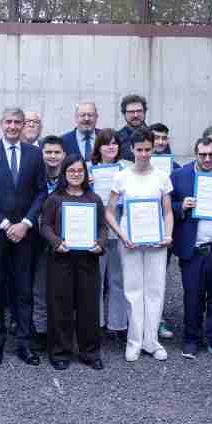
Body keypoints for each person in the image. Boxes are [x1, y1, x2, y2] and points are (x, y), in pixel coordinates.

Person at [0, 106, 47, 367]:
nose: (14, 126)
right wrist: (6, 224)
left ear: (23, 124)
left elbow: (41, 192)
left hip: (26, 234)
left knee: (23, 289)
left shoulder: (35, 154)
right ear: (1, 124)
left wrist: (25, 223)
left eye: (18, 122)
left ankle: (24, 344)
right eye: (9, 122)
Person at [105, 127, 175, 362]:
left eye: (148, 149)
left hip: (157, 242)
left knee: (155, 290)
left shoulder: (162, 177)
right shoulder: (121, 176)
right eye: (139, 150)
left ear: (153, 148)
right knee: (133, 291)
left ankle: (151, 341)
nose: (144, 154)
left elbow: (167, 211)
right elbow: (110, 212)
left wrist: (168, 235)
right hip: (130, 242)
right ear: (132, 150)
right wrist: (121, 235)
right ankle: (134, 341)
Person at [170, 136, 212, 360]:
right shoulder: (180, 176)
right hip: (194, 248)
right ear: (195, 154)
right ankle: (191, 338)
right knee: (193, 296)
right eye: (203, 154)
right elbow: (166, 205)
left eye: (211, 154)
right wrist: (182, 206)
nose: (207, 159)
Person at [39, 154, 108, 370]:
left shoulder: (93, 199)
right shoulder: (54, 199)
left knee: (89, 307)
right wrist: (56, 242)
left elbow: (102, 227)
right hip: (61, 259)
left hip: (88, 259)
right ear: (64, 173)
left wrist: (100, 243)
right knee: (61, 306)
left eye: (80, 171)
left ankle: (90, 352)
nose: (76, 174)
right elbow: (45, 226)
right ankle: (60, 351)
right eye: (71, 171)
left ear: (85, 174)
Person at [92, 128, 131, 342]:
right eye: (106, 143)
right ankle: (96, 323)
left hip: (121, 233)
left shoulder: (128, 169)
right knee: (96, 281)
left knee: (118, 280)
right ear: (99, 147)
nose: (111, 147)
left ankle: (118, 324)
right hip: (97, 233)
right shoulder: (89, 170)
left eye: (115, 143)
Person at [32, 135, 67, 351]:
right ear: (41, 154)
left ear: (63, 155)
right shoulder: (34, 177)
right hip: (36, 241)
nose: (52, 156)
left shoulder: (72, 178)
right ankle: (40, 330)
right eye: (48, 152)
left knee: (61, 290)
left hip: (65, 242)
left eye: (56, 152)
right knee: (39, 288)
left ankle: (60, 333)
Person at [117, 94, 148, 161]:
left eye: (139, 111)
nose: (136, 115)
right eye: (131, 112)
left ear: (144, 112)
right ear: (124, 113)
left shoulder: (156, 136)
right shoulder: (116, 138)